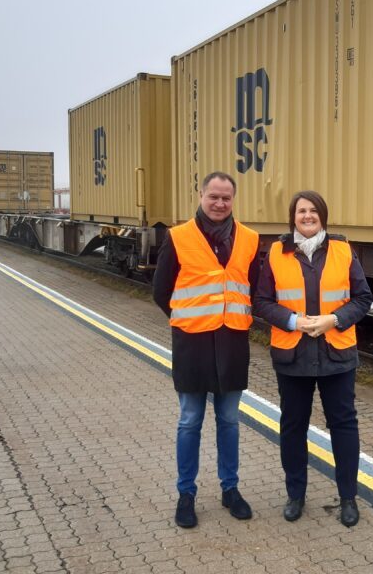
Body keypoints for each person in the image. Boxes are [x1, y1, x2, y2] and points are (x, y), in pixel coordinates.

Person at [253, 190, 373, 527]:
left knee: (344, 426)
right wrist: (294, 321)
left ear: (323, 215)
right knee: (293, 427)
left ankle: (348, 497)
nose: (307, 216)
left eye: (313, 211)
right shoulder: (276, 253)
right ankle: (295, 495)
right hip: (293, 356)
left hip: (337, 355)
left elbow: (363, 299)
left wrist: (332, 320)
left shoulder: (343, 251)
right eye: (301, 211)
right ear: (293, 216)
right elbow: (261, 300)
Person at [152, 171, 259, 529]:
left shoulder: (249, 238)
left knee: (229, 422)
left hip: (232, 344)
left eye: (226, 198)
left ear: (234, 199)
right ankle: (186, 494)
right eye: (213, 196)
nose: (219, 203)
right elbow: (160, 290)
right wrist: (186, 319)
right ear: (200, 195)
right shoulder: (178, 237)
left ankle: (231, 490)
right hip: (193, 344)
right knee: (190, 421)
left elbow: (253, 288)